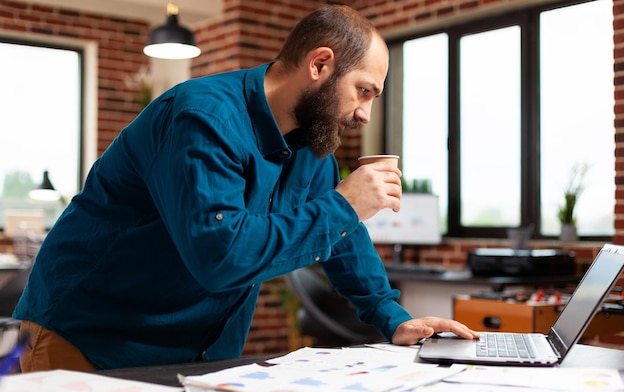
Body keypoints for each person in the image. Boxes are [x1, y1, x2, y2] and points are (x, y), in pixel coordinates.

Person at [14, 4, 478, 372]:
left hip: (194, 356)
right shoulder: (202, 118)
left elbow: (344, 239)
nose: (364, 115)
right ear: (320, 64)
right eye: (364, 91)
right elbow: (220, 257)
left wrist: (391, 316)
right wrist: (344, 204)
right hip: (87, 340)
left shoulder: (312, 148)